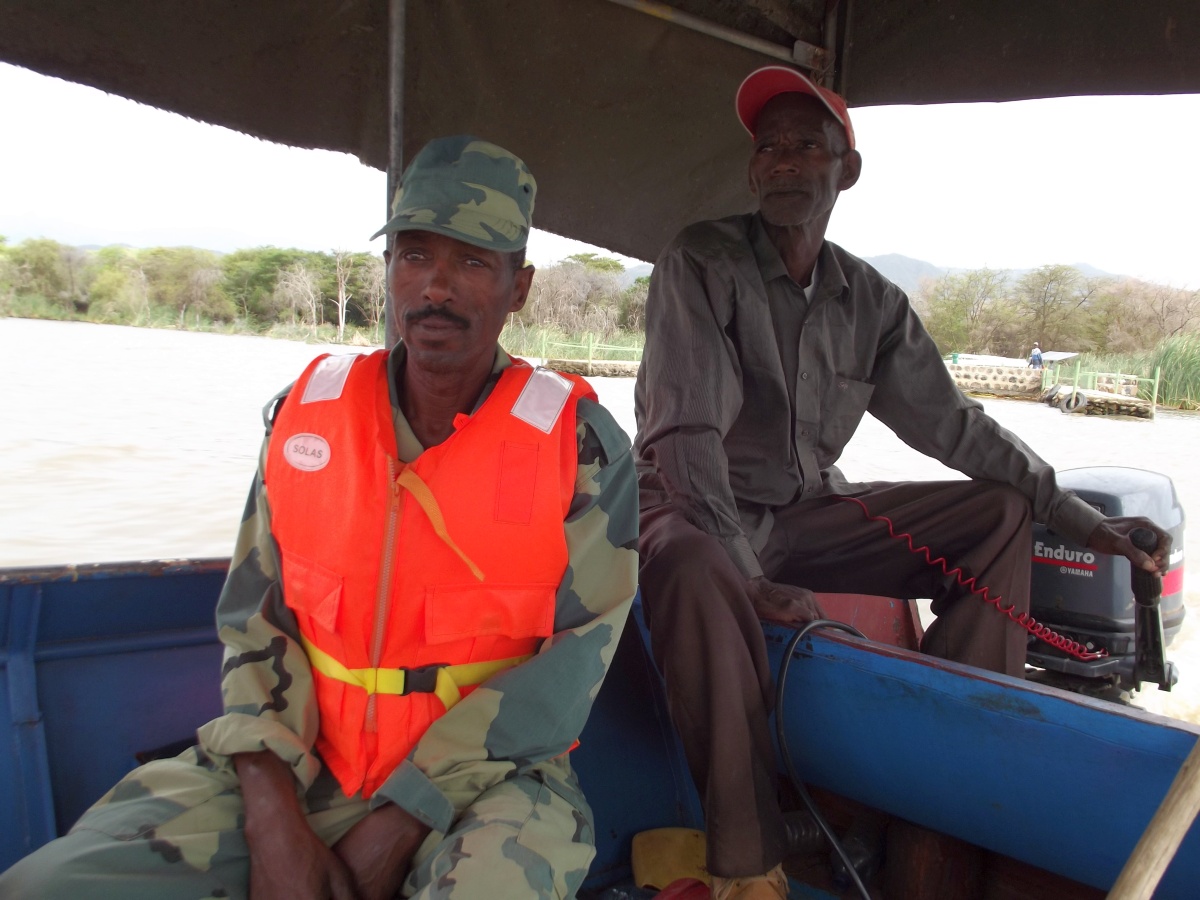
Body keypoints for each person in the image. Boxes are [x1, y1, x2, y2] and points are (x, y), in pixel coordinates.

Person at [0, 135, 638, 900]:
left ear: (520, 287)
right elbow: (253, 620)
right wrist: (271, 816)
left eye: (472, 261)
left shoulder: (582, 449)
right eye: (414, 255)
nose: (436, 287)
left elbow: (576, 662)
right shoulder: (305, 419)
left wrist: (403, 816)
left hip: (491, 785)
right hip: (297, 756)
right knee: (49, 884)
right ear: (390, 270)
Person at [633, 65, 1171, 899]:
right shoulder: (702, 261)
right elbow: (687, 437)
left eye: (805, 147)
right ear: (751, 170)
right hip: (691, 511)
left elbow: (954, 425)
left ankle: (942, 786)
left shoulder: (870, 301)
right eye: (767, 147)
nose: (782, 162)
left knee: (996, 513)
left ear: (844, 170)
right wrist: (749, 575)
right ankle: (748, 864)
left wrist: (1074, 516)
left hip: (805, 513)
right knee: (696, 562)